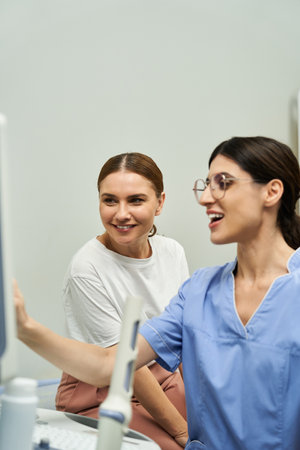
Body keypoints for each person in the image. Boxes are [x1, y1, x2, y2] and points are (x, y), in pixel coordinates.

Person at [15, 136, 300, 449]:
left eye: (224, 183)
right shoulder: (200, 291)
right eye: (207, 184)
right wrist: (26, 328)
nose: (205, 197)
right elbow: (111, 364)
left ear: (272, 192)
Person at [55, 152, 189, 450]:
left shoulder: (172, 252)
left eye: (136, 200)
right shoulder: (86, 269)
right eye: (110, 200)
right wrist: (183, 433)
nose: (121, 213)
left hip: (163, 377)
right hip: (101, 389)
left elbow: (185, 336)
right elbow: (126, 367)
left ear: (160, 202)